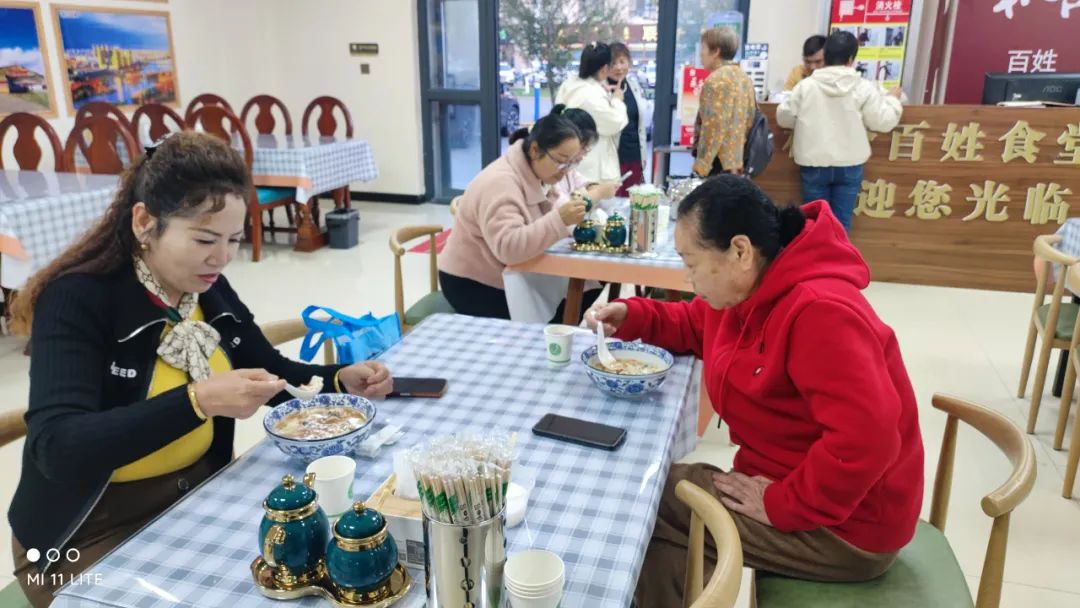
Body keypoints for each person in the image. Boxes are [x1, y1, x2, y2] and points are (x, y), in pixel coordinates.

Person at [7, 132, 395, 608]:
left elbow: (269, 371)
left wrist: (338, 379)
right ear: (145, 222)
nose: (221, 257)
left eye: (233, 239)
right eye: (205, 239)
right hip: (84, 530)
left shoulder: (205, 290)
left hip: (197, 495)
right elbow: (57, 447)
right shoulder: (78, 300)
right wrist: (197, 401)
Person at [585, 176, 923, 606]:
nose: (689, 279)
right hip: (792, 481)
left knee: (646, 498)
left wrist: (784, 504)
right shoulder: (752, 288)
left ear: (740, 251)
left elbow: (868, 441)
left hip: (847, 528)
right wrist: (632, 315)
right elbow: (697, 324)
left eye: (692, 264)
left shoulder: (820, 312)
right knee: (664, 525)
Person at [438, 106, 618, 321]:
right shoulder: (501, 182)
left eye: (572, 163)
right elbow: (508, 248)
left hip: (509, 270)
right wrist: (560, 219)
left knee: (586, 285)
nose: (565, 171)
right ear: (534, 150)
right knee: (562, 306)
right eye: (561, 161)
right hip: (473, 282)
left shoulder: (539, 173)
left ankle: (560, 329)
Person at [776, 30, 903, 231]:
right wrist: (892, 100)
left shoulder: (806, 87)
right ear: (851, 59)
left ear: (825, 55)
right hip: (850, 164)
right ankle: (838, 252)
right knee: (841, 226)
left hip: (813, 162)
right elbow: (883, 122)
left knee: (813, 225)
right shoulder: (863, 87)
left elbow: (784, 118)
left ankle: (815, 252)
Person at [555, 42, 629, 182]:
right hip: (591, 165)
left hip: (572, 156)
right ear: (604, 69)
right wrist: (617, 100)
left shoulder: (570, 84)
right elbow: (614, 122)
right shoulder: (591, 95)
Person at [692, 27, 758, 177]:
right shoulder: (744, 78)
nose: (701, 54)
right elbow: (750, 117)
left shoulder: (715, 81)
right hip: (737, 159)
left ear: (716, 52)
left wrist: (701, 165)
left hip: (716, 160)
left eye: (703, 48)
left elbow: (713, 128)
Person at [608, 42, 648, 196]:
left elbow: (640, 124)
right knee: (612, 201)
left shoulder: (633, 85)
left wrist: (643, 155)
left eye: (622, 61)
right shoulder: (602, 89)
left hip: (635, 156)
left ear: (629, 62)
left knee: (633, 200)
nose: (618, 67)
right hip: (613, 157)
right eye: (613, 63)